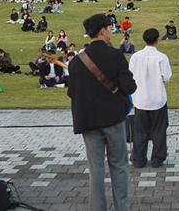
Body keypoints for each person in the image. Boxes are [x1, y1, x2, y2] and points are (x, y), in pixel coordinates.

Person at [68, 14, 136, 211]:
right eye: (109, 27)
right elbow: (129, 87)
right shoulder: (115, 55)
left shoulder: (76, 61)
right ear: (103, 30)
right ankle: (122, 207)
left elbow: (72, 92)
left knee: (95, 169)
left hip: (88, 121)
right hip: (113, 118)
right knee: (119, 166)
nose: (111, 31)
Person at [129, 28, 172, 169]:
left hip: (140, 99)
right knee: (159, 131)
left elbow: (130, 75)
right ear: (157, 39)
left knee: (140, 132)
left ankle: (138, 160)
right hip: (157, 99)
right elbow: (167, 77)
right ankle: (157, 159)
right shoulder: (162, 57)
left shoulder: (135, 57)